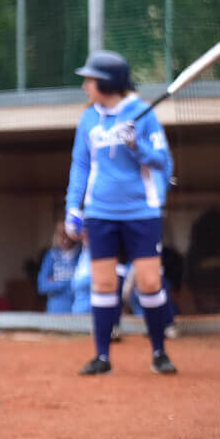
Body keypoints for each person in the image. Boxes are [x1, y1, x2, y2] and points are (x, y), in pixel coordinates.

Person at [63, 49, 177, 375]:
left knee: (150, 282)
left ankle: (159, 353)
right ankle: (102, 357)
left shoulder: (143, 113)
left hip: (141, 211)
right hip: (100, 212)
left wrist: (134, 145)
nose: (86, 84)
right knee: (102, 285)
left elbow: (162, 161)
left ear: (108, 82)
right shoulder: (88, 118)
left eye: (90, 79)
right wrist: (73, 207)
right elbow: (80, 165)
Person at [37, 222, 80, 314]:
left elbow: (81, 285)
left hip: (76, 310)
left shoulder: (81, 255)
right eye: (61, 236)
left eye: (67, 236)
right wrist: (66, 284)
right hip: (55, 310)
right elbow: (42, 286)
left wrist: (56, 282)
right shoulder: (51, 256)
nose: (65, 240)